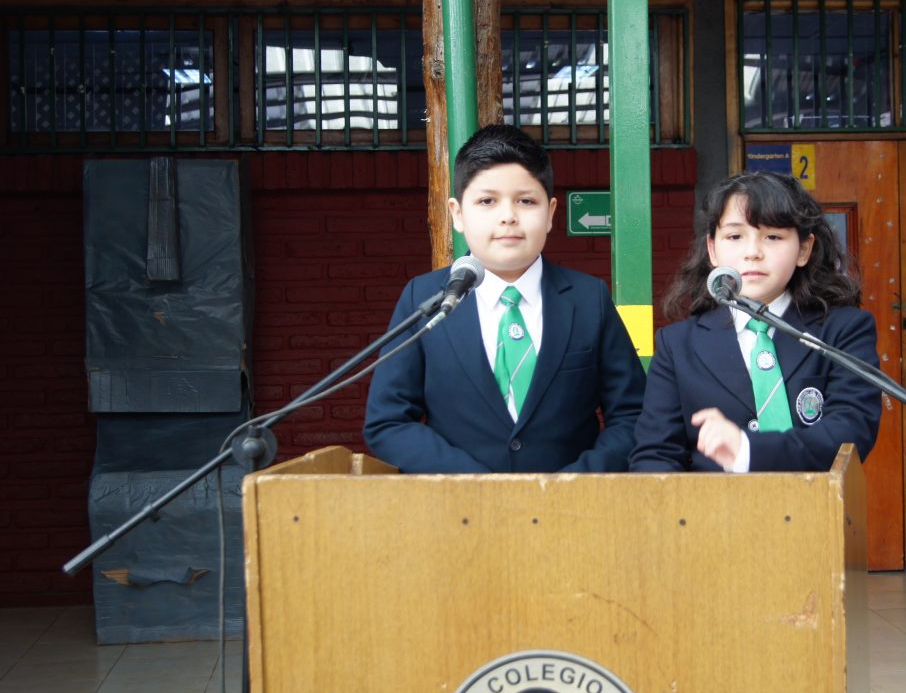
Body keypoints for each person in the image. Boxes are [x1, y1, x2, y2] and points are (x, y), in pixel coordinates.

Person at [364, 124, 646, 473]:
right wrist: (476, 485)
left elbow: (633, 415)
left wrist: (576, 482)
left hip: (571, 512)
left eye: (526, 201)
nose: (508, 215)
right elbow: (388, 422)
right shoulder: (424, 299)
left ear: (551, 213)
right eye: (487, 201)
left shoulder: (590, 299)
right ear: (457, 213)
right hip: (460, 512)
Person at [630, 171, 880, 473]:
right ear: (712, 249)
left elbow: (851, 432)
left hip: (816, 513)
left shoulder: (844, 330)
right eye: (735, 237)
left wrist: (747, 450)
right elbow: (654, 456)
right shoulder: (677, 344)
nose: (753, 253)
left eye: (773, 237)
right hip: (707, 517)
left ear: (803, 249)